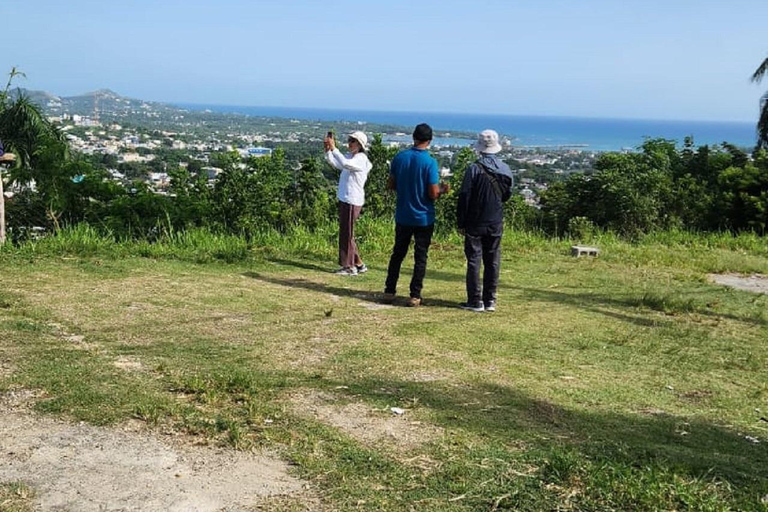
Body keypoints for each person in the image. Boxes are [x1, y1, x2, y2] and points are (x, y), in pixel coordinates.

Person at [383, 123, 449, 307]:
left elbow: (391, 185)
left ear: (413, 137)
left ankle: (389, 290)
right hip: (424, 217)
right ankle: (414, 294)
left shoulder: (400, 158)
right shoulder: (429, 162)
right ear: (429, 140)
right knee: (420, 256)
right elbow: (433, 193)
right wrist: (443, 190)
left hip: (403, 214)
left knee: (398, 253)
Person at [457, 129, 514, 312]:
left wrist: (461, 222)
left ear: (479, 148)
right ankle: (490, 300)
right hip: (495, 220)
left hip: (475, 221)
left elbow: (465, 196)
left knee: (474, 259)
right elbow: (507, 195)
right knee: (493, 260)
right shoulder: (505, 169)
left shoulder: (473, 169)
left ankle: (475, 300)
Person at [325, 131, 372, 276]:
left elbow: (344, 163)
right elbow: (336, 163)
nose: (349, 143)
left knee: (346, 234)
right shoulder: (351, 157)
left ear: (359, 144)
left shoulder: (361, 159)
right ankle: (358, 263)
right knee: (347, 233)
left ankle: (349, 267)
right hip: (346, 198)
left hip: (352, 199)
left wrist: (334, 148)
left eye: (352, 140)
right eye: (349, 140)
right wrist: (328, 151)